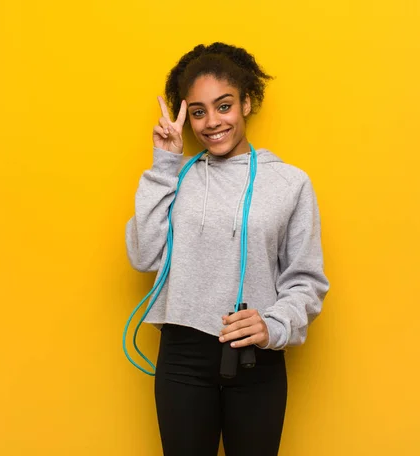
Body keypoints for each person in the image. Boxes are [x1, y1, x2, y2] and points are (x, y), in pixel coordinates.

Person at [125, 42, 330, 456]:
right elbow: (143, 255)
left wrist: (274, 326)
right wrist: (163, 165)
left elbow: (306, 280)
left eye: (224, 106)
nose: (212, 122)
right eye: (198, 112)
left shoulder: (290, 183)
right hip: (182, 355)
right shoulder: (176, 177)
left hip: (257, 358)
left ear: (247, 102)